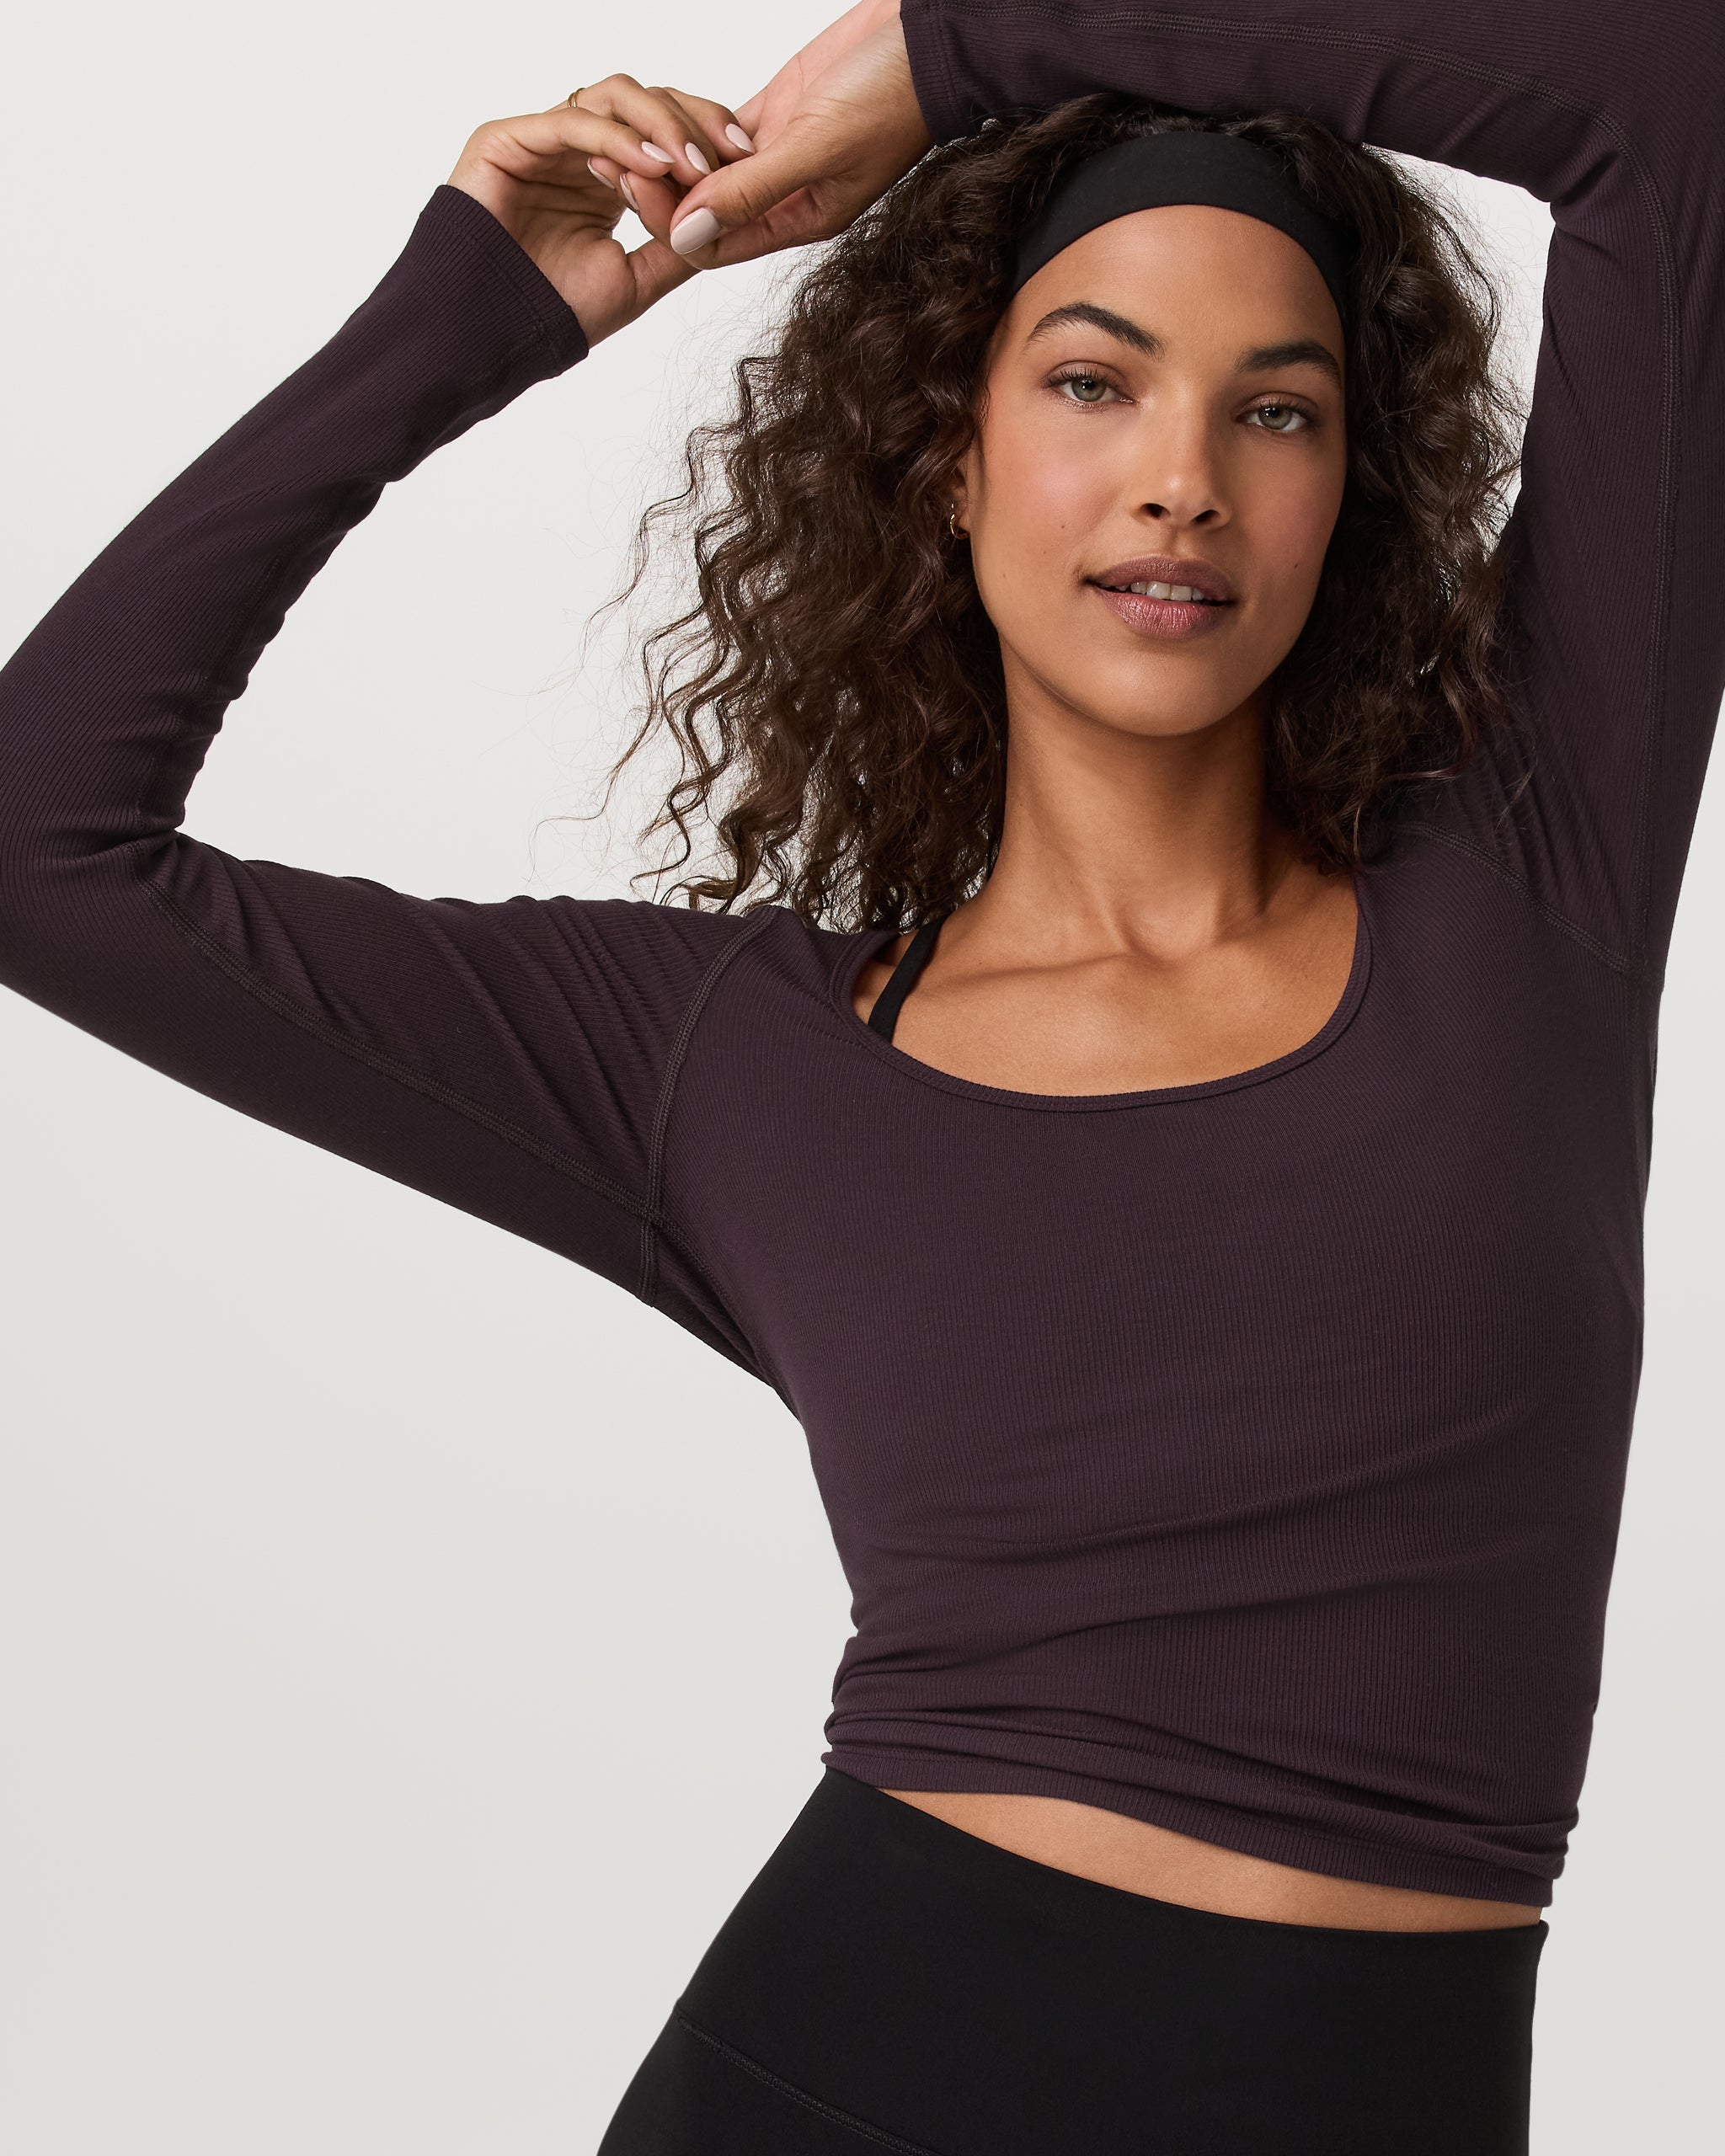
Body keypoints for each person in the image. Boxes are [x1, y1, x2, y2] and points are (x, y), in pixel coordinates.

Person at [0, 0, 1718, 2147]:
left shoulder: (1530, 886)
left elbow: (1675, 100)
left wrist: (960, 43)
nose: (1182, 474)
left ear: (1346, 490)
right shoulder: (729, 1062)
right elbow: (43, 851)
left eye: (1275, 408)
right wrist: (466, 323)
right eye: (1089, 379)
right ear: (947, 451)